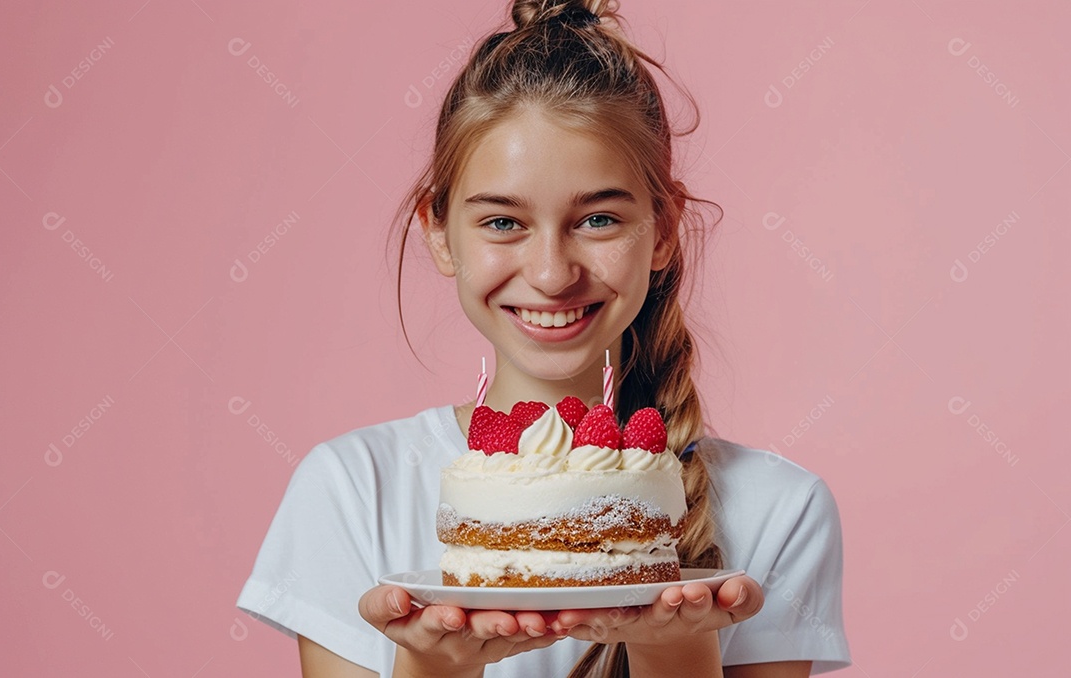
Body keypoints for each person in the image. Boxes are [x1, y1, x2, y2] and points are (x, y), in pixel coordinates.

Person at [236, 1, 851, 675]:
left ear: (664, 230)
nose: (553, 274)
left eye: (599, 220)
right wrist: (435, 667)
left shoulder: (781, 510)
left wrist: (672, 646)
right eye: (503, 223)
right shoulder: (352, 490)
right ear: (439, 232)